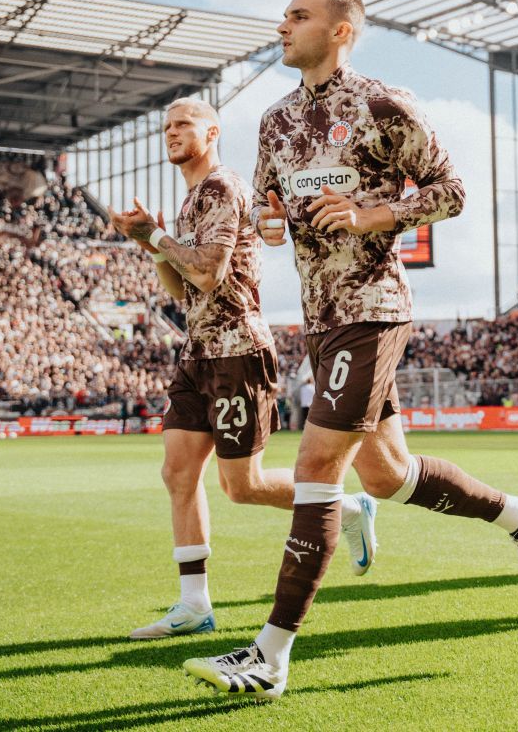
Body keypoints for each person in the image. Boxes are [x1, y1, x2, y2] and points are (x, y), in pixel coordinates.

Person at [183, 0, 518, 700]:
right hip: (320, 319)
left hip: (374, 308)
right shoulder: (276, 120)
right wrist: (269, 223)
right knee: (386, 477)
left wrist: (370, 215)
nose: (283, 25)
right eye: (284, 15)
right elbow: (267, 209)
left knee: (317, 463)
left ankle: (269, 656)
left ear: (341, 31)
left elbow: (450, 190)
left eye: (299, 16)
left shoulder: (385, 104)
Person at [109, 97, 377, 641]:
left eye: (184, 124)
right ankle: (194, 604)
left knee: (242, 485)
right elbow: (182, 289)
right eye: (166, 126)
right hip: (197, 352)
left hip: (237, 352)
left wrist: (157, 237)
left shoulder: (223, 187)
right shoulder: (190, 201)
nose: (171, 132)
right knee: (177, 472)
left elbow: (208, 274)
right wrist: (154, 246)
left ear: (211, 133)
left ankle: (348, 507)